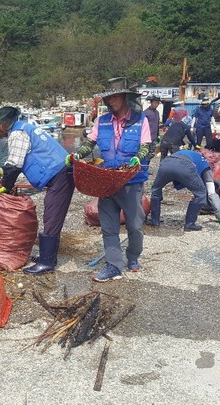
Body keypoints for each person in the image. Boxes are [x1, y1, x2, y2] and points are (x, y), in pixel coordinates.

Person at [68, 88, 151, 282]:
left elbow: (146, 146)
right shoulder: (101, 121)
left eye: (114, 97)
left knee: (135, 225)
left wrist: (138, 158)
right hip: (106, 181)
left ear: (125, 98)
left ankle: (133, 257)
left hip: (131, 182)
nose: (110, 101)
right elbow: (90, 143)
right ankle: (114, 266)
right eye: (108, 98)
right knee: (109, 226)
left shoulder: (141, 120)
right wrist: (78, 155)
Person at [0, 106, 75, 275]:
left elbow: (15, 164)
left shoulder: (18, 133)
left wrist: (6, 187)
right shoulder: (24, 128)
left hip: (60, 174)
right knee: (52, 213)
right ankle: (47, 257)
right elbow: (24, 160)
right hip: (60, 173)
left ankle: (47, 262)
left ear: (1, 124)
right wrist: (2, 172)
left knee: (52, 215)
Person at [146, 149, 220, 230]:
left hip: (166, 163)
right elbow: (211, 193)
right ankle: (190, 224)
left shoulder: (189, 153)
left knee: (156, 190)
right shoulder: (205, 165)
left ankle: (155, 221)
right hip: (184, 166)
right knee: (201, 194)